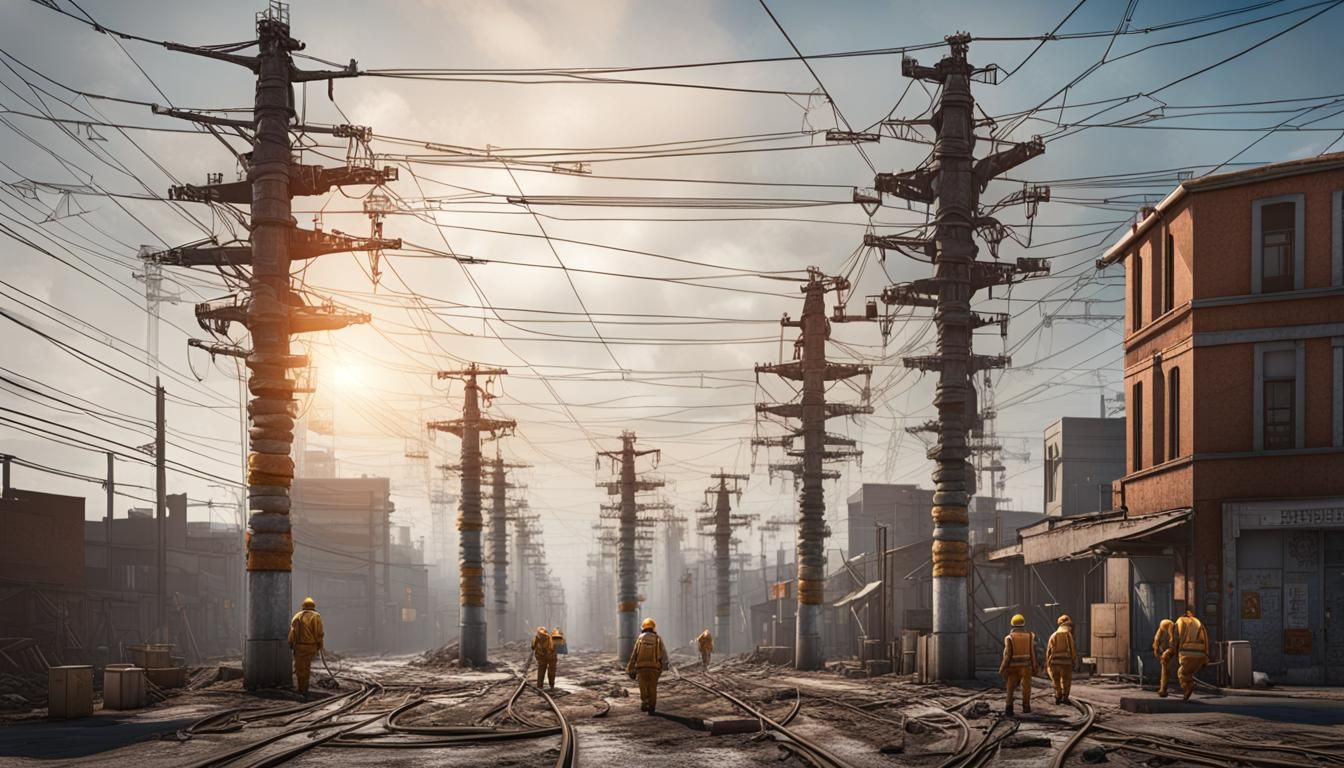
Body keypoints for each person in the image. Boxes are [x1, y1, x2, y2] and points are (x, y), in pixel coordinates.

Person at [626, 617, 669, 714]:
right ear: (653, 628)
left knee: (643, 686)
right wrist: (665, 666)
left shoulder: (640, 638)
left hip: (641, 668)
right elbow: (663, 653)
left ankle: (645, 702)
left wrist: (630, 668)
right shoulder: (658, 638)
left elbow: (634, 654)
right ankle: (652, 706)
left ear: (643, 628)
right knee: (652, 687)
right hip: (654, 668)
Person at [998, 613, 1037, 715]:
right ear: (1023, 624)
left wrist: (1002, 668)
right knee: (1026, 688)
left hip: (1013, 667)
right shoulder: (1030, 636)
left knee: (1010, 688)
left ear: (1012, 624)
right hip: (1026, 667)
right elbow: (1032, 653)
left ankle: (1009, 708)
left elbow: (1007, 656)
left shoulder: (1009, 638)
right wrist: (1034, 666)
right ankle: (1026, 707)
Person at [287, 597, 324, 699]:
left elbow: (292, 632)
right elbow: (319, 633)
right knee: (306, 667)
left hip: (298, 647)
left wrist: (291, 643)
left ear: (303, 606)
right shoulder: (316, 616)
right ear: (313, 606)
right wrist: (320, 645)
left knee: (299, 668)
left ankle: (301, 689)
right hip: (310, 646)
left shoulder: (297, 616)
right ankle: (304, 690)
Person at [1173, 609, 1208, 701]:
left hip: (1186, 653)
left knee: (1181, 673)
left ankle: (1187, 688)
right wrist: (1206, 656)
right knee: (1189, 672)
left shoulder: (1179, 621)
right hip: (1200, 654)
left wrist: (1174, 651)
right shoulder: (1198, 622)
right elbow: (1205, 639)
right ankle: (1188, 687)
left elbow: (1175, 639)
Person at [1046, 614, 1077, 705]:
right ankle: (1065, 698)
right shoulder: (1068, 635)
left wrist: (1048, 663)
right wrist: (1074, 661)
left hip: (1054, 663)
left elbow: (1049, 651)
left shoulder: (1053, 635)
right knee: (1066, 681)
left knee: (1056, 681)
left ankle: (1058, 695)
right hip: (1066, 663)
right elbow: (1072, 649)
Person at [1152, 618, 1176, 698]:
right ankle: (1163, 689)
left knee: (1166, 672)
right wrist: (1157, 651)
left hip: (1169, 654)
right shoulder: (1163, 630)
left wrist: (1165, 653)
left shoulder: (1172, 631)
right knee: (1165, 671)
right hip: (1165, 655)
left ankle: (1163, 689)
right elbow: (1156, 641)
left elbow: (1173, 645)